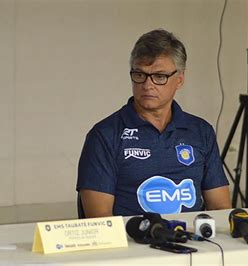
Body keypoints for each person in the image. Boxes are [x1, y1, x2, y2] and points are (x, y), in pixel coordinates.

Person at [77, 29, 231, 217]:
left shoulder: (201, 131)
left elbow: (220, 209)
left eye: (159, 77)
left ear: (179, 79)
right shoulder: (105, 135)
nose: (147, 85)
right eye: (140, 75)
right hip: (133, 243)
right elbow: (100, 221)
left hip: (192, 242)